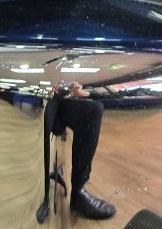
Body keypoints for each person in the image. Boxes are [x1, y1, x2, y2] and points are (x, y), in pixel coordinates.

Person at [40, 81, 116, 221]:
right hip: (53, 102)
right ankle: (78, 192)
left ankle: (78, 192)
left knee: (94, 108)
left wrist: (77, 93)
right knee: (93, 110)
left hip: (59, 101)